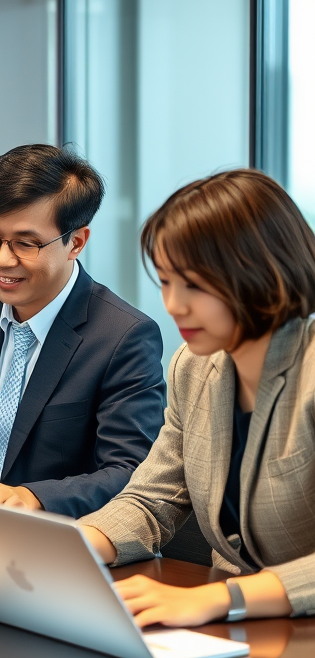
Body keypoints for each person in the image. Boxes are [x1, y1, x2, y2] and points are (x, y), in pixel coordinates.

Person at [81, 170, 315, 626]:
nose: (173, 305)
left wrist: (225, 598)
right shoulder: (194, 366)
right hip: (235, 631)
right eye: (166, 282)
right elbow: (153, 498)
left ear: (263, 271)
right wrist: (74, 547)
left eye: (194, 285)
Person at [0, 144, 165, 518]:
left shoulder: (124, 337)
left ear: (76, 242)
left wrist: (34, 497)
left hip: (53, 538)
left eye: (26, 244)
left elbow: (130, 473)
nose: (3, 260)